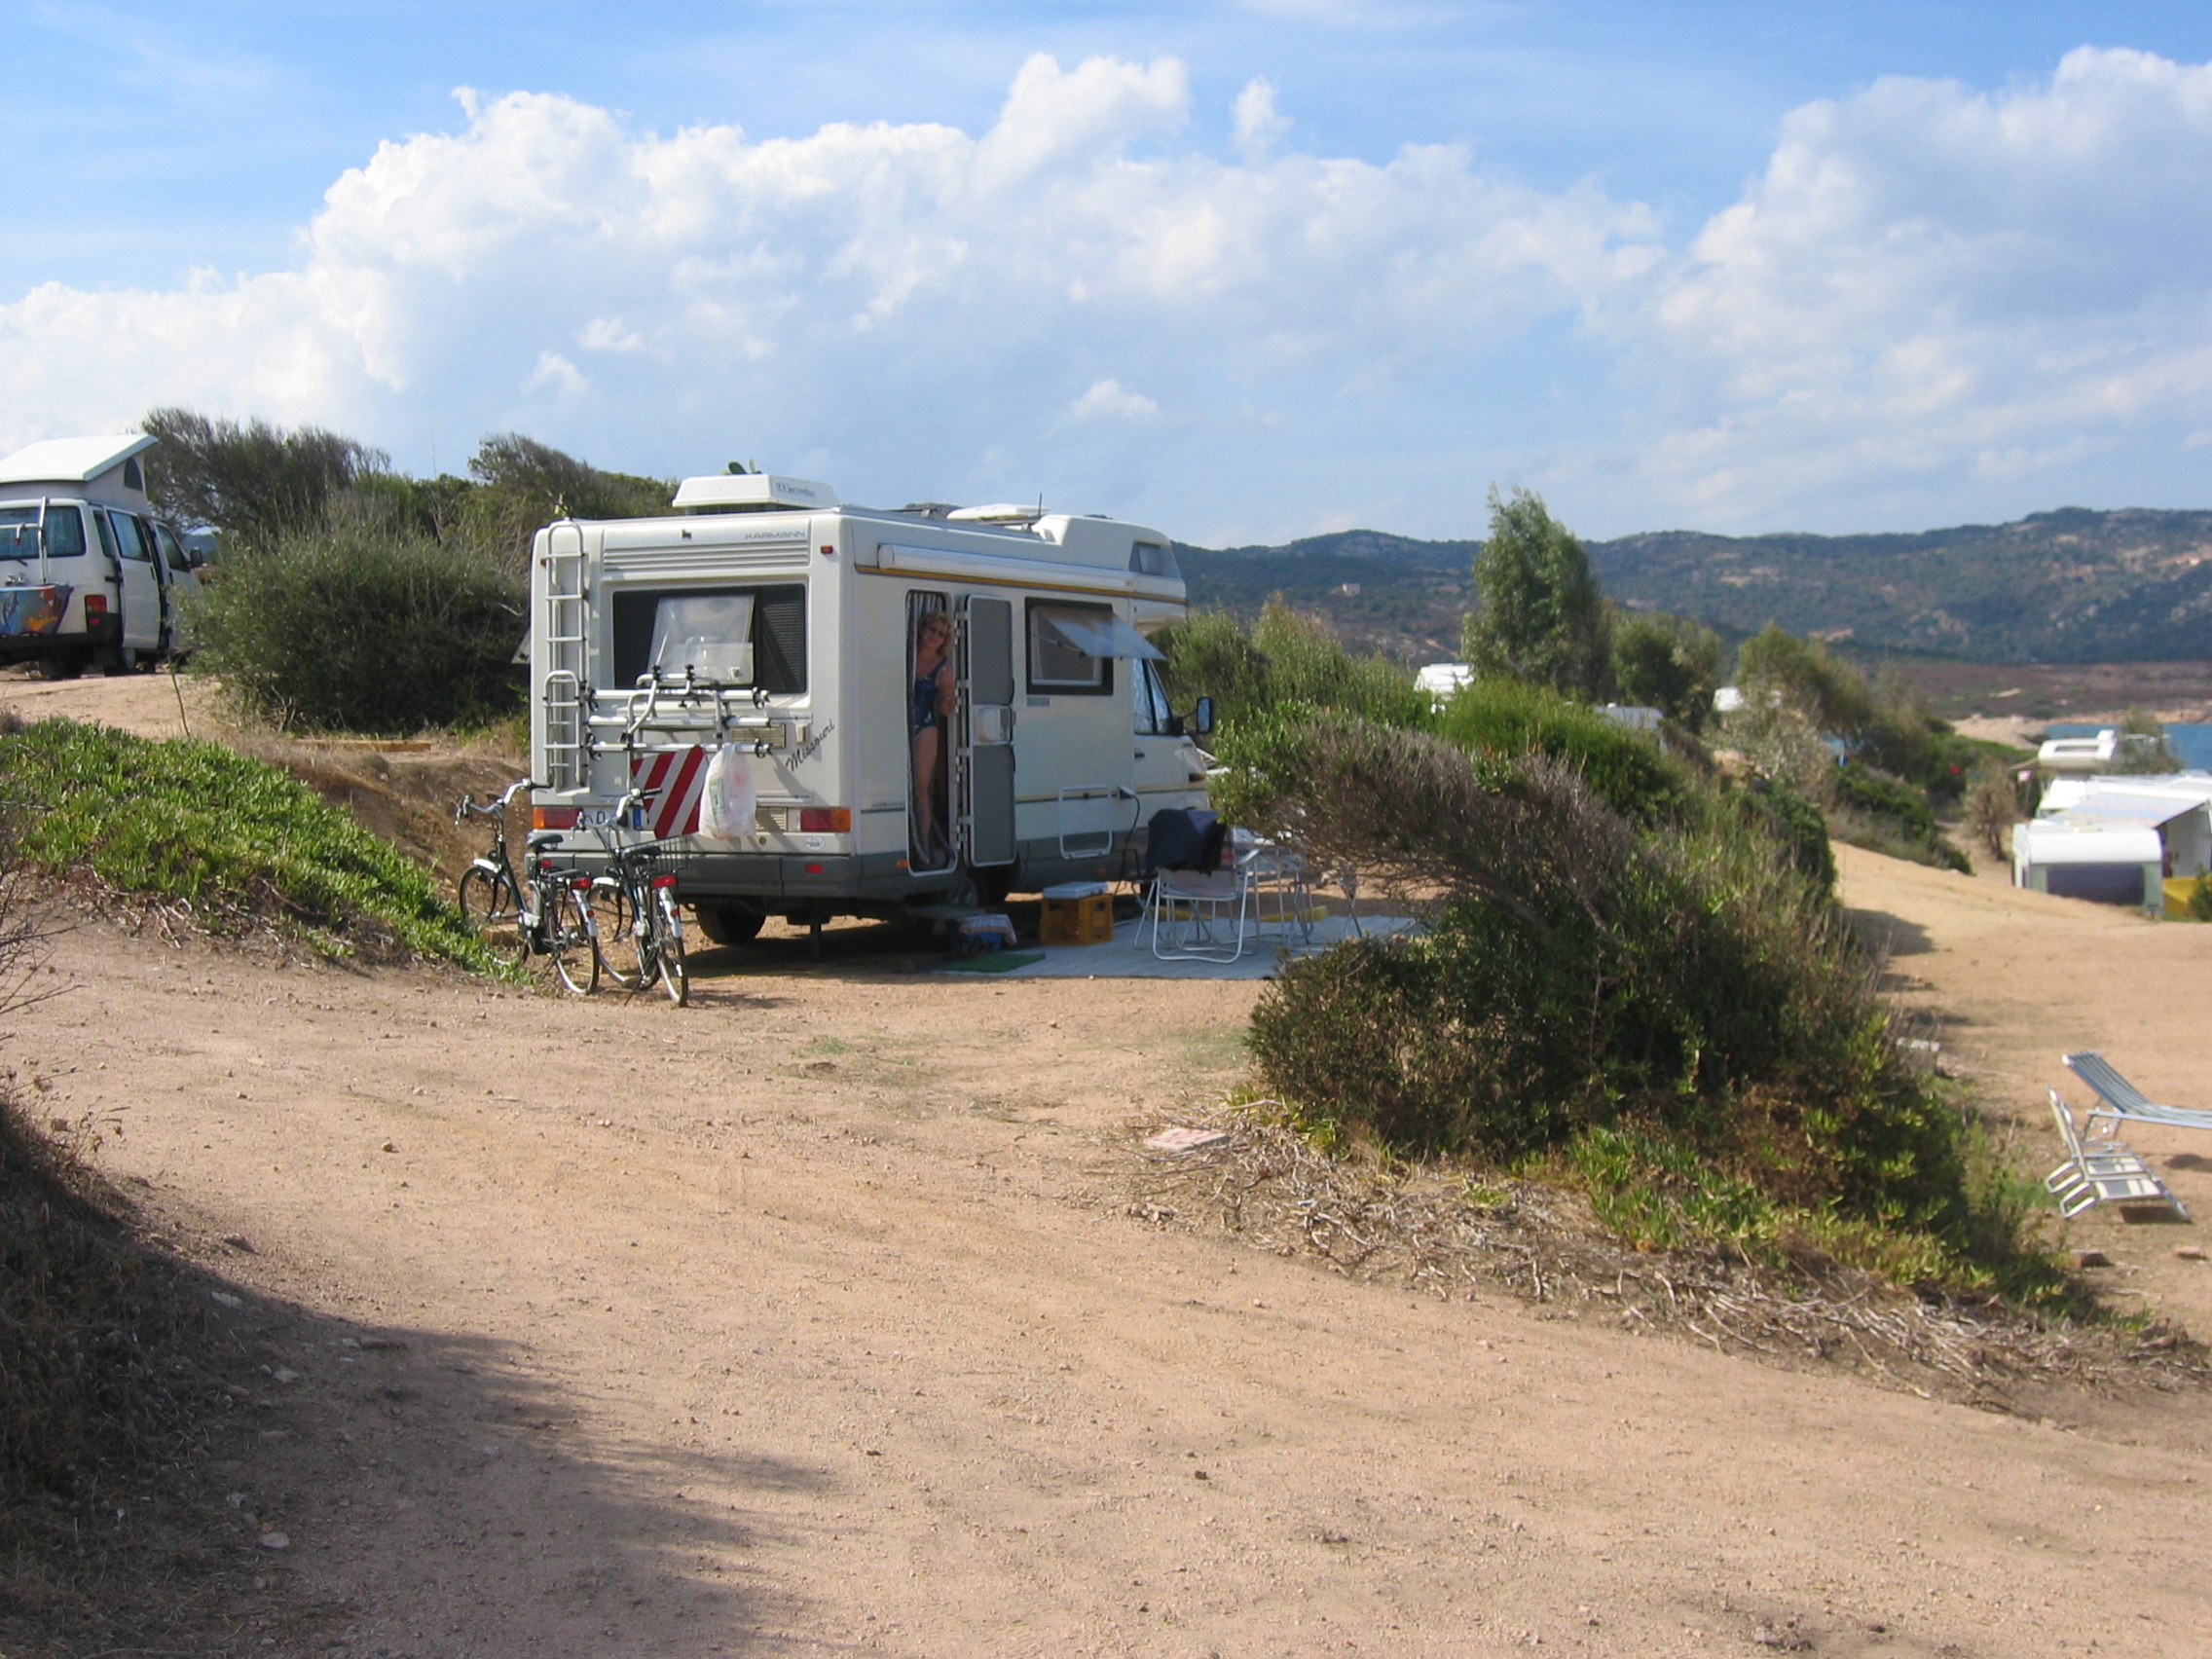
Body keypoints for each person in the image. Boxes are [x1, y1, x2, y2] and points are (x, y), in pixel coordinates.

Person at [910, 611, 957, 864]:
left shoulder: (943, 667)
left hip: (925, 726)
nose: (934, 637)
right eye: (932, 630)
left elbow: (944, 709)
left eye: (941, 634)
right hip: (898, 725)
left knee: (921, 788)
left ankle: (922, 844)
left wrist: (949, 692)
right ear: (921, 629)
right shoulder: (906, 656)